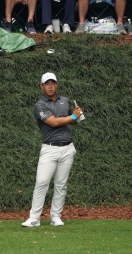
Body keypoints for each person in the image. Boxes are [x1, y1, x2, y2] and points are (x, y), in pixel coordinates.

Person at [21, 72, 82, 228]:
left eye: (53, 83)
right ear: (41, 86)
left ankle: (56, 217)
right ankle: (34, 218)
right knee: (42, 182)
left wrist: (77, 116)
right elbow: (54, 122)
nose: (50, 86)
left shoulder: (65, 101)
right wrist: (73, 117)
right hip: (49, 149)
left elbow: (69, 122)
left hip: (67, 147)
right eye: (46, 83)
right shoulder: (39, 105)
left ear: (57, 84)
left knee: (61, 184)